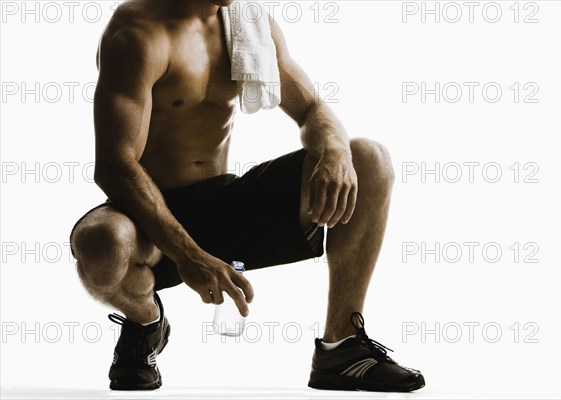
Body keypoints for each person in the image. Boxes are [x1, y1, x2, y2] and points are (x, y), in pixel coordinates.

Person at [69, 0, 425, 392]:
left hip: (224, 201)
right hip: (148, 214)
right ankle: (145, 324)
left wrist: (335, 152)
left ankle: (342, 348)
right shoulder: (137, 30)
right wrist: (189, 255)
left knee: (369, 160)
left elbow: (311, 108)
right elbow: (116, 165)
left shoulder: (247, 25)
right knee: (100, 245)